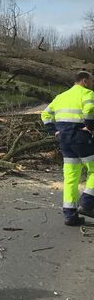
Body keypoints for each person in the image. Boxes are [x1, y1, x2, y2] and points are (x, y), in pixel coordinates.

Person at [41, 71, 94, 226]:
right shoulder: (87, 93)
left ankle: (70, 215)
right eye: (91, 81)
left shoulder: (61, 96)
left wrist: (54, 131)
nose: (92, 84)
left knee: (71, 177)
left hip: (64, 138)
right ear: (84, 81)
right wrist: (90, 127)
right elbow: (90, 110)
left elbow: (45, 114)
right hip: (80, 136)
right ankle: (87, 202)